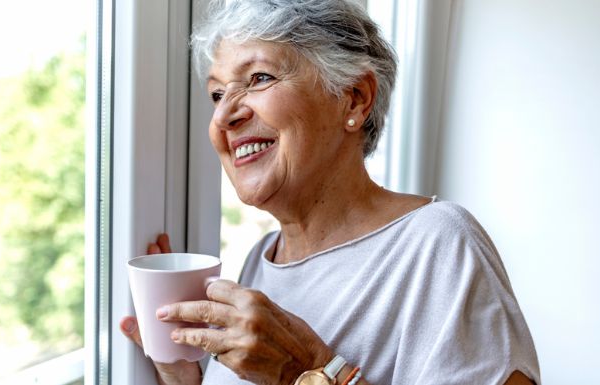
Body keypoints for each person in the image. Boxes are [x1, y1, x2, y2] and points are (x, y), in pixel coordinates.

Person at [119, 0, 540, 384]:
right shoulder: (262, 258)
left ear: (354, 99)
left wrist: (305, 371)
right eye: (216, 93)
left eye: (259, 78)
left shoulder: (438, 243)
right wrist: (182, 373)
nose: (224, 116)